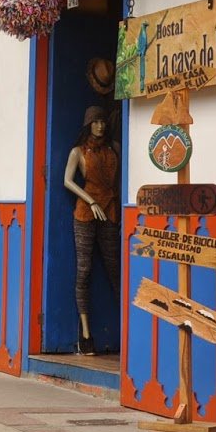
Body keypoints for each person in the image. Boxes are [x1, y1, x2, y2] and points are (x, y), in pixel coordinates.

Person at [62, 105, 120, 356]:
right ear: (88, 124)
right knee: (84, 271)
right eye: (95, 122)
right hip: (86, 214)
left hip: (109, 211)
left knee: (115, 268)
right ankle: (86, 334)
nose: (100, 125)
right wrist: (90, 200)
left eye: (102, 121)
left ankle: (127, 326)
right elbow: (67, 180)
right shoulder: (78, 152)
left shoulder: (113, 149)